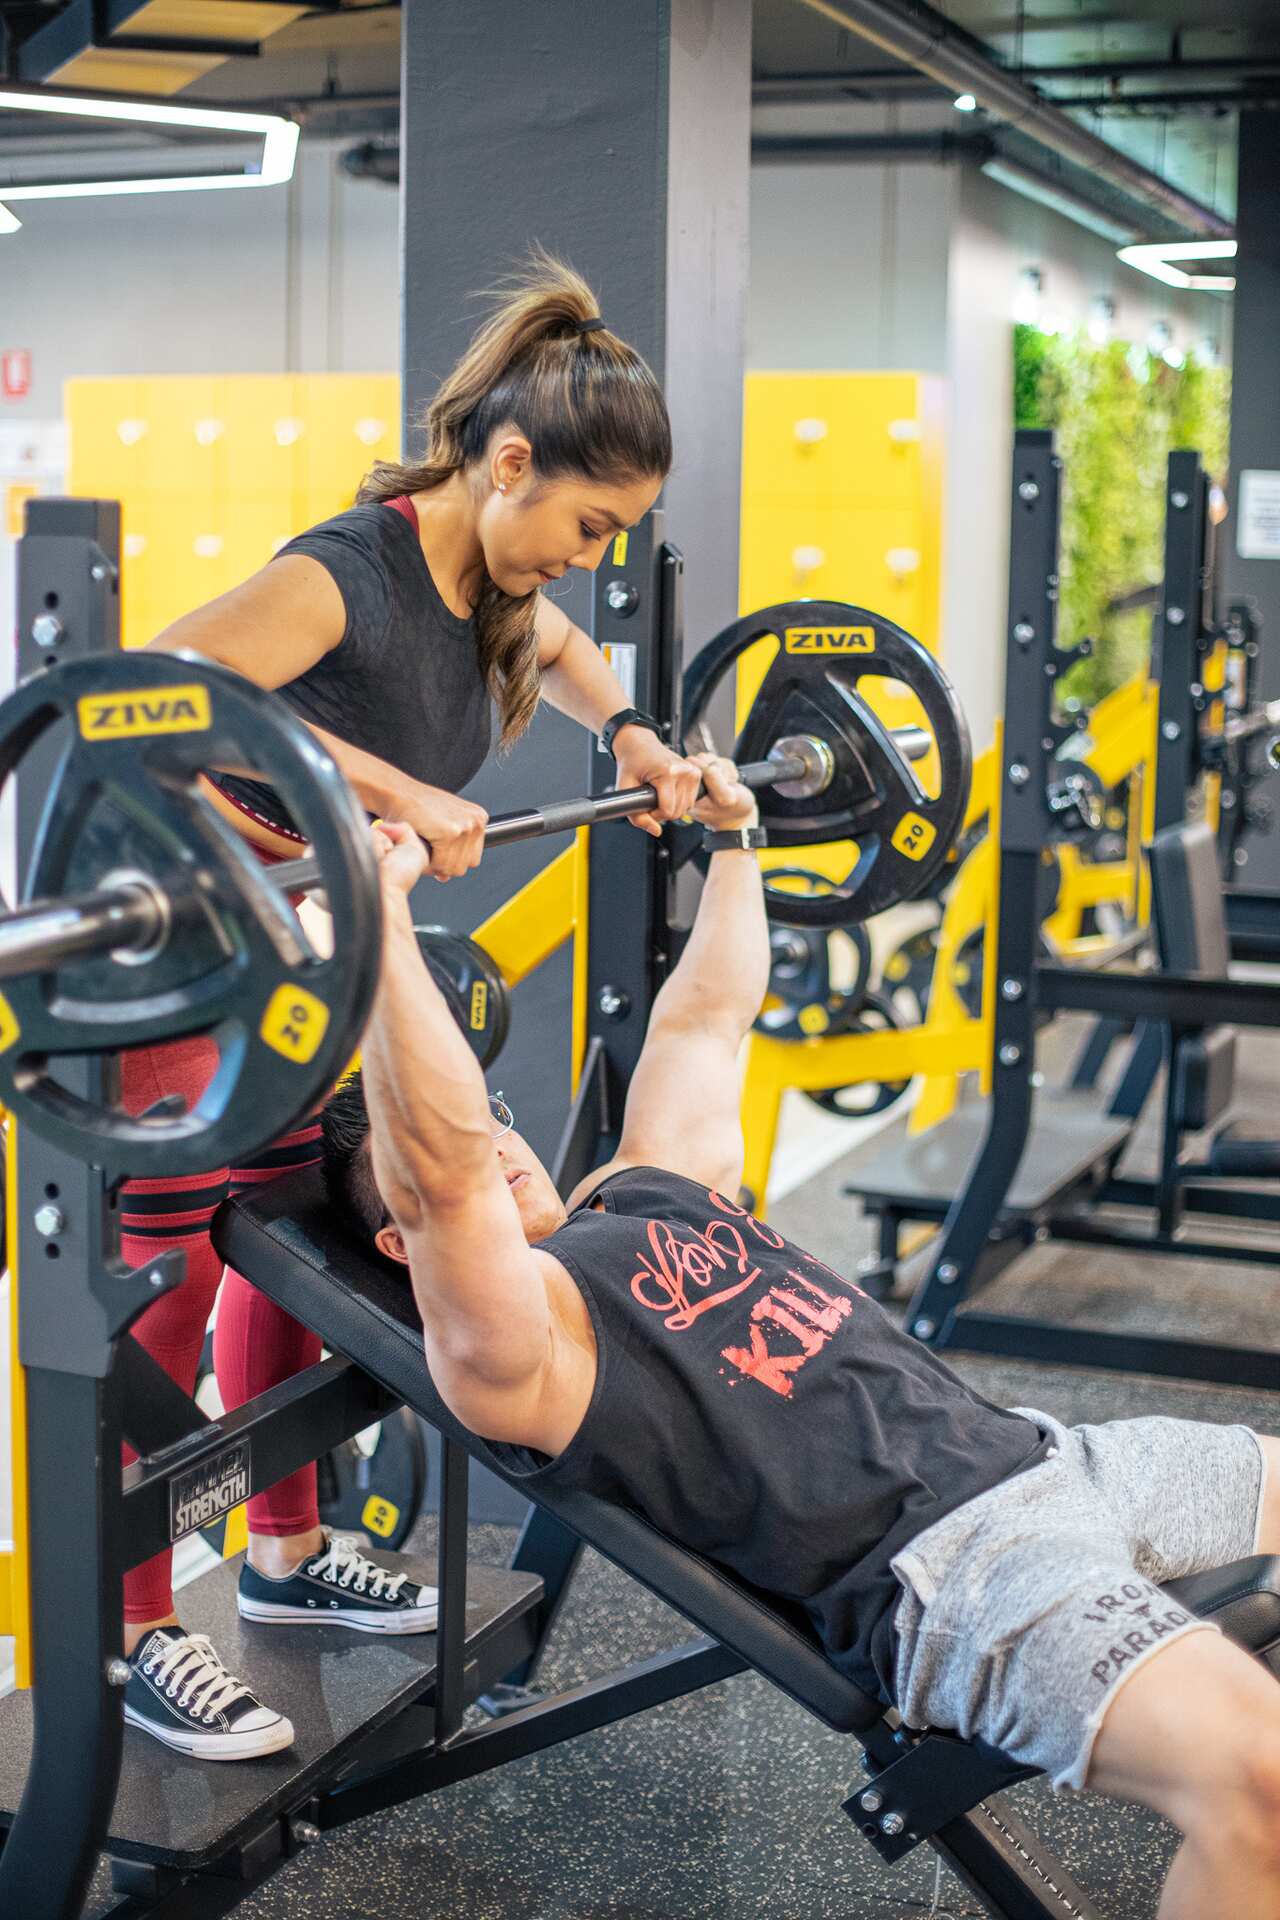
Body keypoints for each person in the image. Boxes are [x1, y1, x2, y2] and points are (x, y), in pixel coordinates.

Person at [330, 763, 1280, 1920]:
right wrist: (375, 925)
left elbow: (705, 1020)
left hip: (1055, 1458)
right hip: (964, 1578)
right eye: (469, 1145)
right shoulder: (516, 1353)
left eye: (502, 1120)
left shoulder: (637, 1191)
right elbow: (438, 1172)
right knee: (1253, 1787)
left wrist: (737, 843)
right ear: (401, 1247)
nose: (498, 1142)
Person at [119, 253, 704, 1762]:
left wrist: (635, 737)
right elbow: (173, 679)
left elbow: (569, 654)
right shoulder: (356, 568)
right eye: (586, 522)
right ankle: (129, 1636)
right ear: (507, 461)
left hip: (308, 947)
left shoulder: (494, 587)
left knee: (289, 1253)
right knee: (161, 1287)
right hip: (180, 927)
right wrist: (383, 786)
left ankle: (289, 1559)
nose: (586, 556)